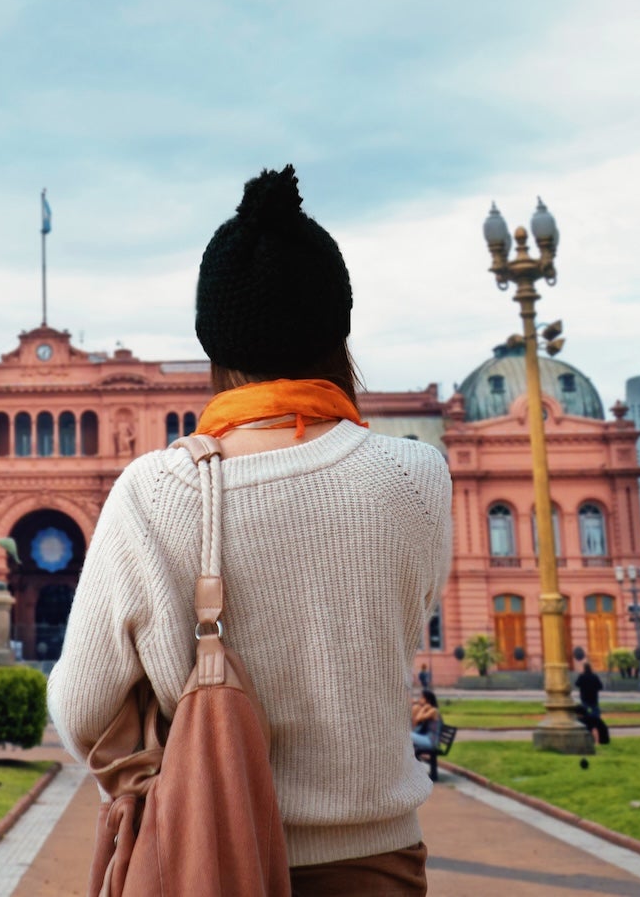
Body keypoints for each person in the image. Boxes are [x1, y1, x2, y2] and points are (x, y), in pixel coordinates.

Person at [48, 167, 452, 895]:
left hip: (204, 855)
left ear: (217, 344)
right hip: (379, 863)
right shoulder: (418, 478)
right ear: (337, 330)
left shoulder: (155, 492)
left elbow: (81, 707)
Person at [575, 662, 610, 745]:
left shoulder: (582, 676)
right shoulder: (594, 677)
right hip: (594, 700)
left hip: (585, 700)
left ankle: (587, 737)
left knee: (585, 721)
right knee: (595, 721)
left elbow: (577, 684)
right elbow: (600, 686)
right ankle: (597, 738)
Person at [410, 690, 440, 755]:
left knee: (405, 735)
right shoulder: (426, 709)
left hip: (431, 741)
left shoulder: (433, 710)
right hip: (426, 738)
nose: (419, 699)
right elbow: (414, 723)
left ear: (428, 700)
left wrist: (423, 708)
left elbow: (418, 718)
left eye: (421, 697)